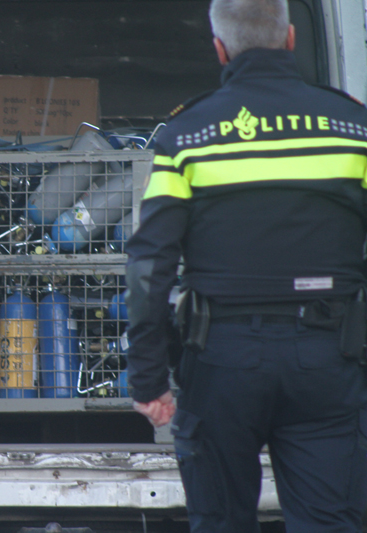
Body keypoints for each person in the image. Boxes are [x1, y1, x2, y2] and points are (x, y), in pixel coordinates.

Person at [125, 0, 367, 530]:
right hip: (328, 360)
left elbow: (150, 265)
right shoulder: (353, 126)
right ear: (290, 38)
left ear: (220, 49)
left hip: (220, 363)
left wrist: (148, 377)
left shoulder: (186, 135)